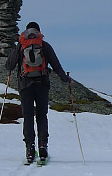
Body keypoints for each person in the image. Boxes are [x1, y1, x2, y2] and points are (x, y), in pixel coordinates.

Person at [5, 21, 72, 162]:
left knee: (28, 116)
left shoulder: (21, 46)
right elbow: (56, 65)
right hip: (42, 84)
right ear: (39, 32)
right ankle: (43, 146)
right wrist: (65, 79)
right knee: (42, 115)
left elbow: (9, 65)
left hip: (25, 86)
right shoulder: (44, 46)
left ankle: (30, 148)